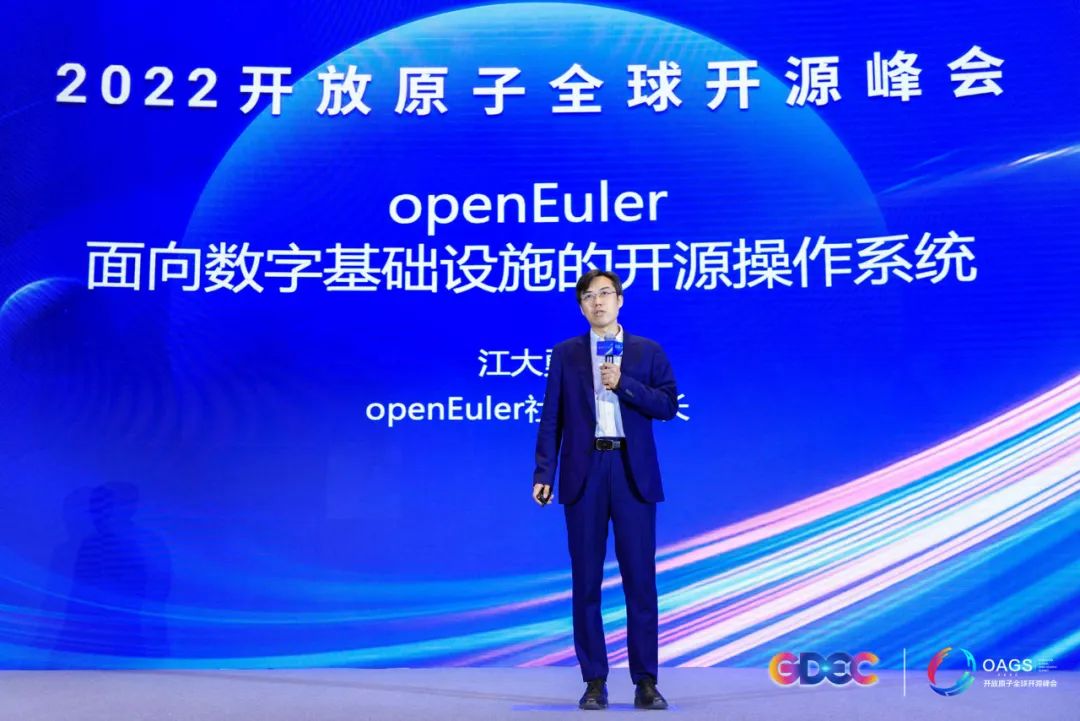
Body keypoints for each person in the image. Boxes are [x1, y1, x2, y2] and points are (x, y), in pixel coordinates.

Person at [533, 268, 678, 710]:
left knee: (640, 581)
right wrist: (544, 472)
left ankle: (646, 682)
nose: (597, 302)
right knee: (586, 581)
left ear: (620, 300)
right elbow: (552, 417)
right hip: (585, 471)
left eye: (605, 294)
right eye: (588, 297)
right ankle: (594, 681)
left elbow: (668, 405)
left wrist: (624, 384)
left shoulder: (648, 351)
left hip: (633, 472)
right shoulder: (566, 354)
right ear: (581, 308)